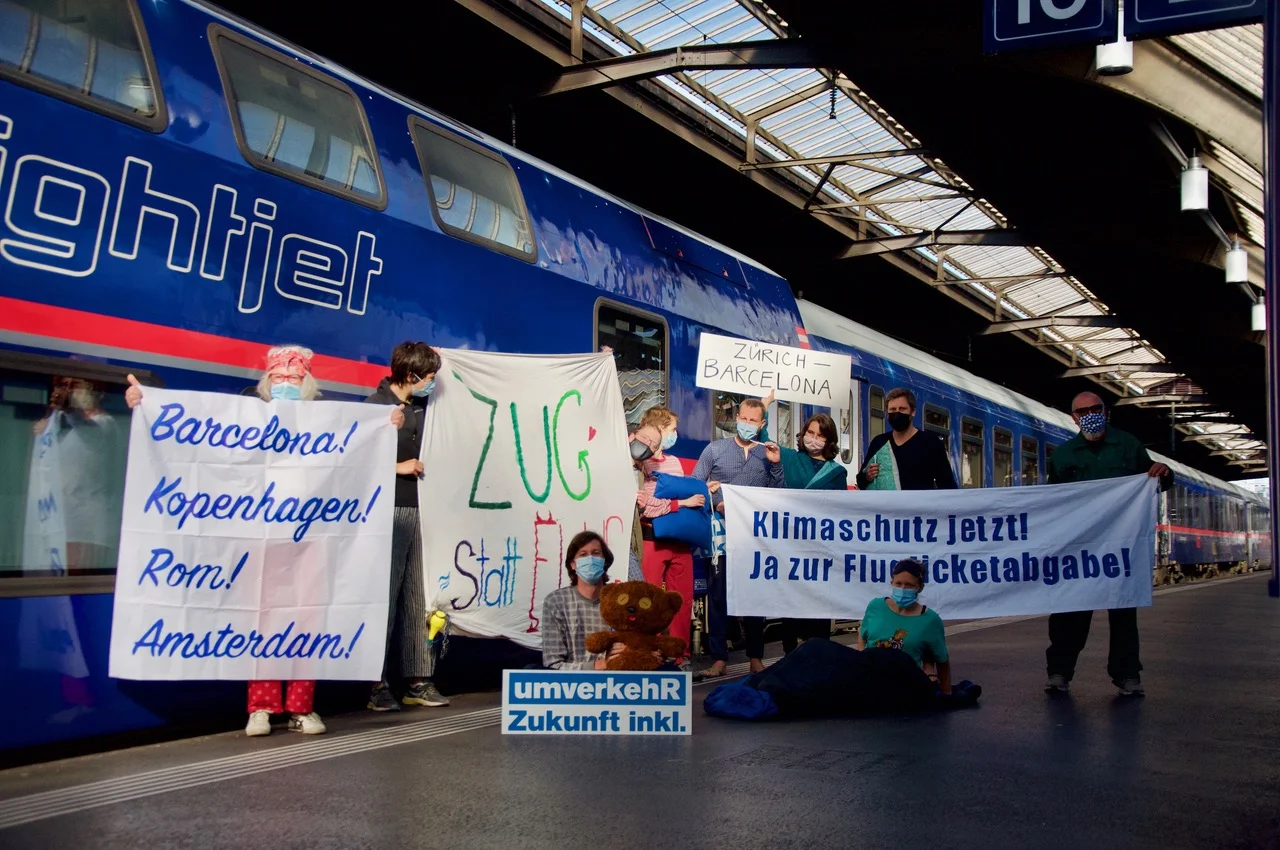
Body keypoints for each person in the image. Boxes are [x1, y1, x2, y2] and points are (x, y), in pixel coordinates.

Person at [124, 344, 405, 737]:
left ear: (307, 382)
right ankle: (261, 706)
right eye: (278, 377)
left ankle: (302, 706)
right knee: (263, 619)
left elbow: (360, 443)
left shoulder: (326, 419)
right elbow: (197, 435)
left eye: (294, 377)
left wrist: (386, 424)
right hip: (259, 538)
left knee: (308, 618)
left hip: (312, 538)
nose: (286, 383)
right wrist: (144, 403)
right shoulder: (245, 416)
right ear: (266, 381)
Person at [1044, 391, 1171, 698]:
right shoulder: (1063, 456)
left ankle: (1127, 674)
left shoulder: (1128, 446)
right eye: (1083, 411)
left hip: (1121, 545)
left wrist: (1164, 472)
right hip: (1080, 546)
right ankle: (1059, 671)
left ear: (1106, 411)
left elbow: (1157, 479)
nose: (1090, 414)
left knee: (1124, 611)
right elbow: (1050, 501)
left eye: (1095, 409)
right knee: (1069, 610)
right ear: (1074, 417)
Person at [364, 341, 449, 712]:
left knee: (420, 596)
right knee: (383, 598)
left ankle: (419, 678)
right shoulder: (373, 408)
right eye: (429, 377)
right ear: (411, 375)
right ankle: (376, 682)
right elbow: (354, 463)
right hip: (389, 511)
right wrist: (395, 467)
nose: (432, 384)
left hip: (426, 511)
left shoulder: (432, 411)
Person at [691, 397, 784, 677]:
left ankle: (756, 658)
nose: (745, 424)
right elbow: (695, 485)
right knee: (718, 598)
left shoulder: (766, 454)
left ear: (762, 424)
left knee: (754, 597)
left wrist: (777, 465)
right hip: (720, 537)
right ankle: (719, 659)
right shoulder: (715, 450)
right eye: (742, 418)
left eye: (752, 420)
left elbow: (781, 493)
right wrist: (715, 498)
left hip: (753, 537)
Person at [634, 406, 701, 670]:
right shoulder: (641, 462)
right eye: (672, 429)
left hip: (679, 540)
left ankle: (679, 655)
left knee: (681, 600)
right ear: (658, 430)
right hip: (652, 538)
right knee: (648, 600)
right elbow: (644, 505)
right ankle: (649, 653)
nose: (676, 434)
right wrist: (679, 504)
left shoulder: (673, 463)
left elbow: (659, 498)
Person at [774, 411, 847, 654]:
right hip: (790, 543)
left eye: (820, 435)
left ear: (829, 441)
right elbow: (762, 438)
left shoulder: (837, 473)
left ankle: (818, 652)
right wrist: (766, 404)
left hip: (819, 545)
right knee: (790, 597)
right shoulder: (788, 458)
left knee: (818, 601)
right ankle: (790, 652)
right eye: (810, 433)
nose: (813, 439)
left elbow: (839, 511)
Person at [856, 559, 951, 695]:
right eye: (898, 583)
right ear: (892, 583)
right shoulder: (875, 607)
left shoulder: (931, 620)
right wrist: (860, 662)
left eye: (909, 585)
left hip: (906, 688)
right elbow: (862, 636)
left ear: (920, 587)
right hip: (870, 684)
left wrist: (947, 694)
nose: (902, 589)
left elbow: (942, 660)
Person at [540, 531, 618, 670]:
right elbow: (553, 664)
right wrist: (595, 666)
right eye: (583, 555)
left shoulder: (619, 600)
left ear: (605, 561)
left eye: (596, 553)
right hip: (573, 686)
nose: (590, 559)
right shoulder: (556, 602)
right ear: (573, 564)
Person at [856, 387, 957, 490]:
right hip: (888, 505)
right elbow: (860, 481)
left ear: (913, 412)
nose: (897, 413)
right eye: (892, 409)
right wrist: (867, 476)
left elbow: (947, 485)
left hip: (919, 505)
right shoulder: (879, 442)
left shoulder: (931, 444)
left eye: (902, 409)